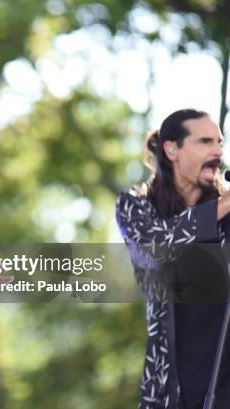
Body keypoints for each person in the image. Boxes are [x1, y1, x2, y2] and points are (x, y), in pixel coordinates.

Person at [116, 108, 230, 408]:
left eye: (220, 142)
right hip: (171, 390)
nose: (218, 151)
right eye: (205, 142)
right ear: (172, 149)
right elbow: (157, 246)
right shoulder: (136, 206)